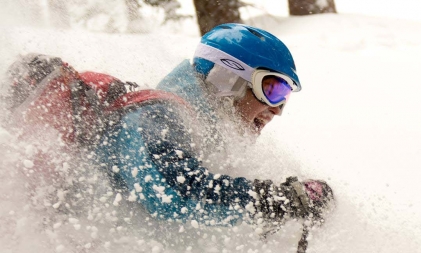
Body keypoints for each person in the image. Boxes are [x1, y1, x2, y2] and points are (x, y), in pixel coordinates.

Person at [94, 23, 333, 230]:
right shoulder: (156, 116)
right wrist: (276, 200)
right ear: (227, 78)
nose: (277, 110)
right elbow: (173, 195)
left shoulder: (201, 130)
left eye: (284, 96)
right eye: (272, 90)